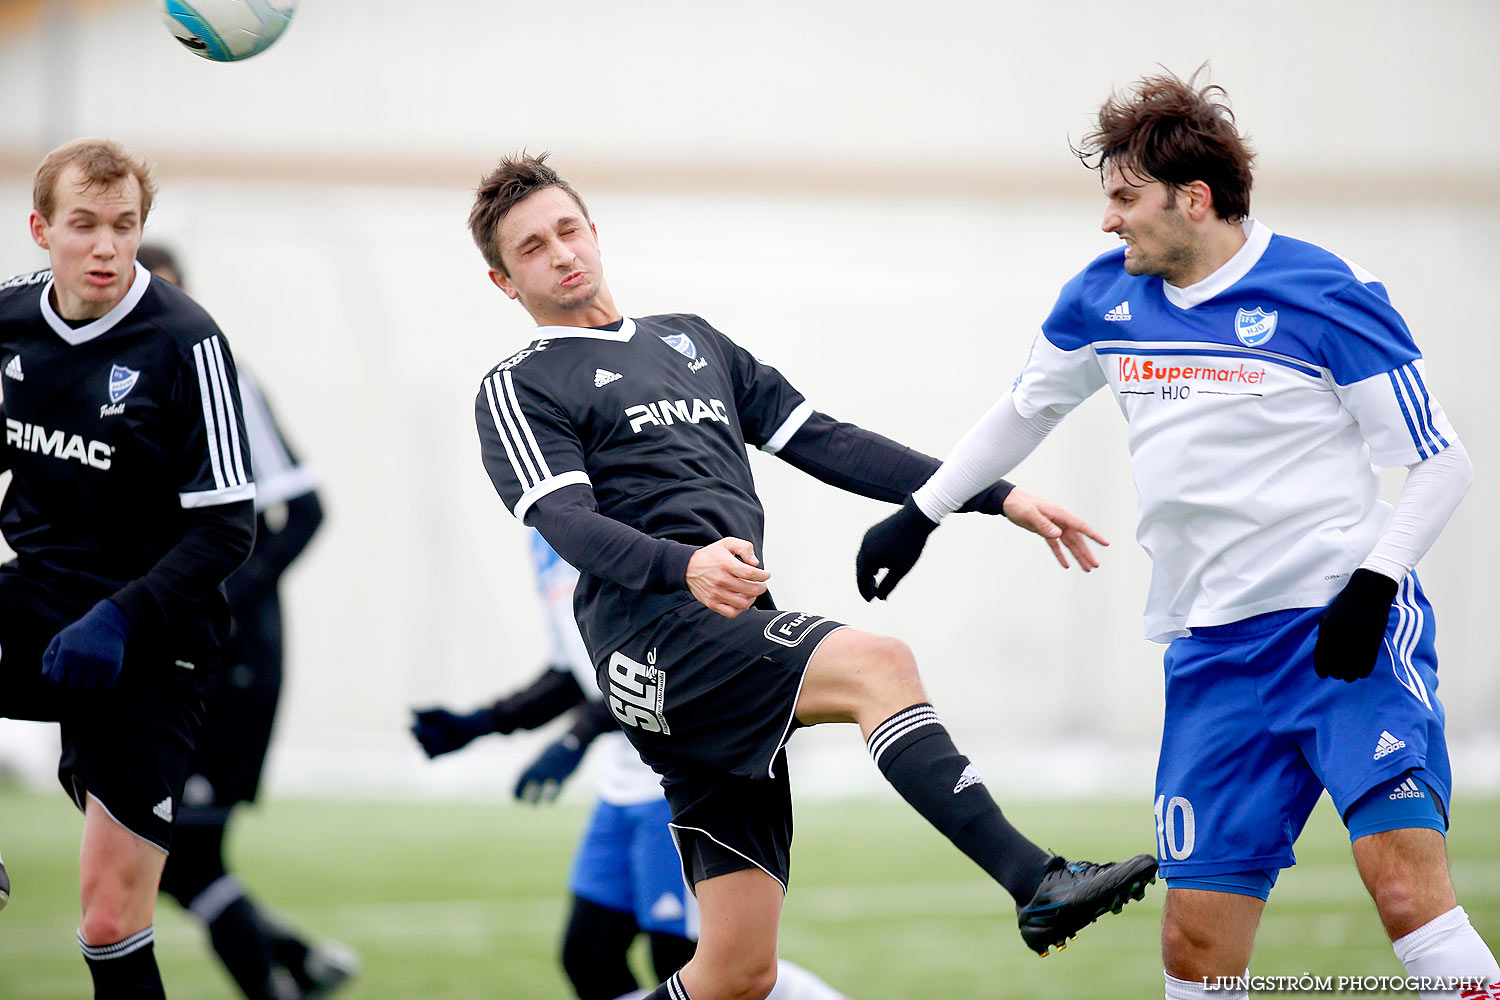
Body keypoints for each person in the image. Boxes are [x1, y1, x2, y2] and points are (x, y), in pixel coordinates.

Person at [855, 70, 1499, 1000]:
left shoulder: (1326, 293)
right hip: (1211, 656)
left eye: (1124, 199)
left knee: (1405, 892)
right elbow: (1025, 410)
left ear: (1193, 200)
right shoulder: (1101, 298)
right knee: (1196, 949)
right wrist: (923, 511)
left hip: (1341, 639)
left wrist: (1374, 584)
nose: (1107, 223)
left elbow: (1442, 463)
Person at [464, 152, 1157, 1000]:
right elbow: (566, 522)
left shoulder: (690, 339)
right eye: (533, 248)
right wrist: (681, 565)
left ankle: (1029, 886)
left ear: (596, 233)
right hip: (655, 642)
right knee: (879, 664)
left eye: (569, 230)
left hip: (719, 635)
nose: (561, 253)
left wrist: (993, 495)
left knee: (736, 974)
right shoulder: (522, 382)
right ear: (505, 281)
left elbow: (824, 438)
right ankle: (1035, 881)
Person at [0, 139, 257, 999]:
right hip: (34, 601)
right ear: (42, 229)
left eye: (125, 225)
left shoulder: (187, 343)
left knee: (110, 922)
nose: (107, 247)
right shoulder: (6, 321)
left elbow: (229, 529)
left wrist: (120, 617)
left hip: (151, 642)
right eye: (84, 225)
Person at [412, 530, 851, 1000]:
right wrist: (478, 724)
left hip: (679, 782)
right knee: (589, 955)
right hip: (620, 786)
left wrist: (576, 736)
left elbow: (665, 657)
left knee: (694, 961)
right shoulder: (542, 536)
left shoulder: (622, 511)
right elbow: (576, 672)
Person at [135, 245, 357, 1000]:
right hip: (162, 656)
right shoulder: (112, 390)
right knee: (160, 856)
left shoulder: (221, 379)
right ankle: (295, 960)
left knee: (180, 854)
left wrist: (223, 594)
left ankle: (284, 977)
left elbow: (308, 512)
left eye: (168, 299)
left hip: (231, 661)